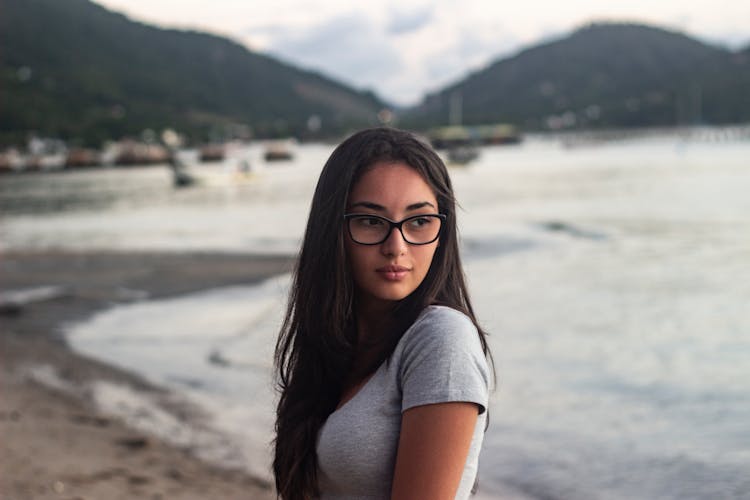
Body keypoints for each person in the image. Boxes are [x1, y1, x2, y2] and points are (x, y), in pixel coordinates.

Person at [273, 127, 493, 499]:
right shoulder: (338, 347)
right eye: (371, 221)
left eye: (419, 221)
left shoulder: (442, 339)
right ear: (333, 231)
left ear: (443, 230)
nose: (397, 246)